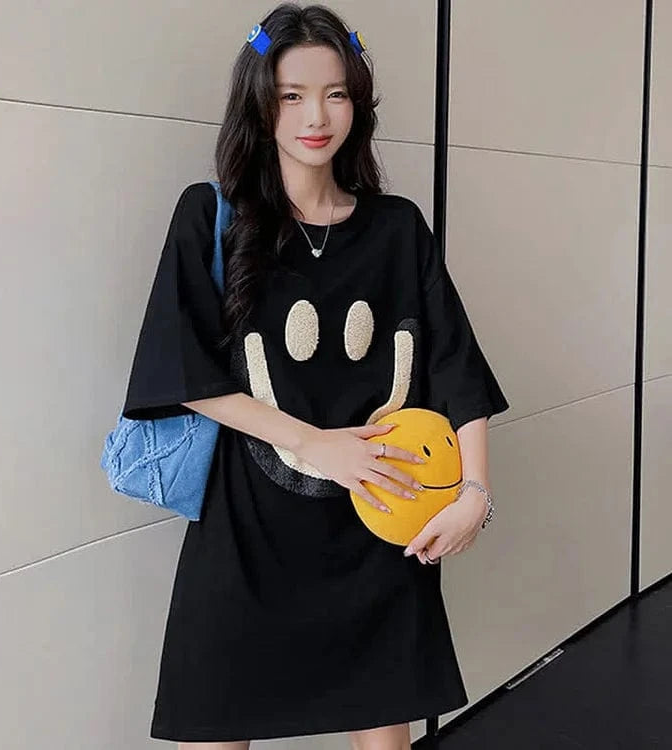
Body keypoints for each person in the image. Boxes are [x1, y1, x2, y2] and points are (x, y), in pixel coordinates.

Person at [121, 3, 509, 748]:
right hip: (245, 532)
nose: (315, 116)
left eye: (335, 94)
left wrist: (475, 494)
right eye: (291, 95)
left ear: (357, 104)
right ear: (259, 103)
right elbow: (183, 366)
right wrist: (314, 443)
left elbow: (455, 363)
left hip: (378, 523)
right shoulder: (213, 216)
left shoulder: (397, 228)